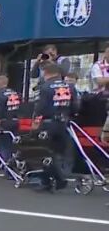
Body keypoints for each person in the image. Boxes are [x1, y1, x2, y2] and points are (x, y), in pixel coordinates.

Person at [32, 62, 80, 192]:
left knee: (44, 152)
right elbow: (75, 107)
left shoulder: (44, 87)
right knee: (58, 152)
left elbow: (39, 108)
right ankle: (53, 179)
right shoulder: (69, 86)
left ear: (46, 72)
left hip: (48, 123)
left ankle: (53, 180)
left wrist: (36, 121)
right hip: (64, 123)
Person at [0, 75, 22, 178]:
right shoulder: (15, 93)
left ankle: (9, 172)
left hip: (5, 122)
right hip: (15, 121)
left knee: (5, 147)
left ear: (0, 82)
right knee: (10, 146)